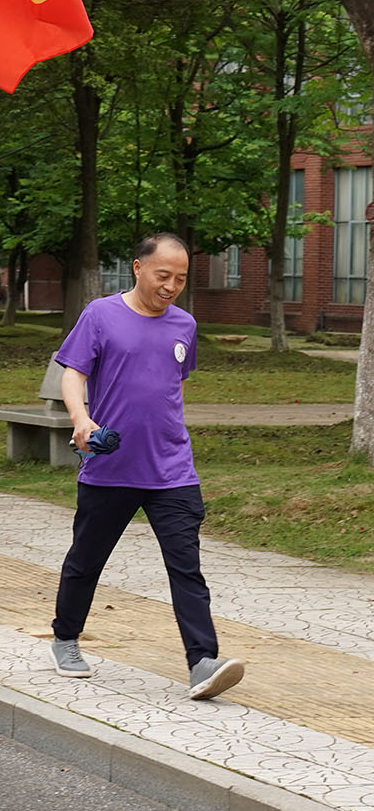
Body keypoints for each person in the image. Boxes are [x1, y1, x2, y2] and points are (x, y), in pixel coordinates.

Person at [49, 233, 246, 700]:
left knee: (186, 567)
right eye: (163, 276)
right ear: (138, 268)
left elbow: (170, 386)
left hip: (173, 470)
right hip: (110, 465)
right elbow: (73, 373)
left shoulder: (184, 325)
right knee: (86, 561)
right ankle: (65, 638)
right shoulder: (100, 315)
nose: (171, 286)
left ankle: (202, 662)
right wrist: (81, 418)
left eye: (180, 278)